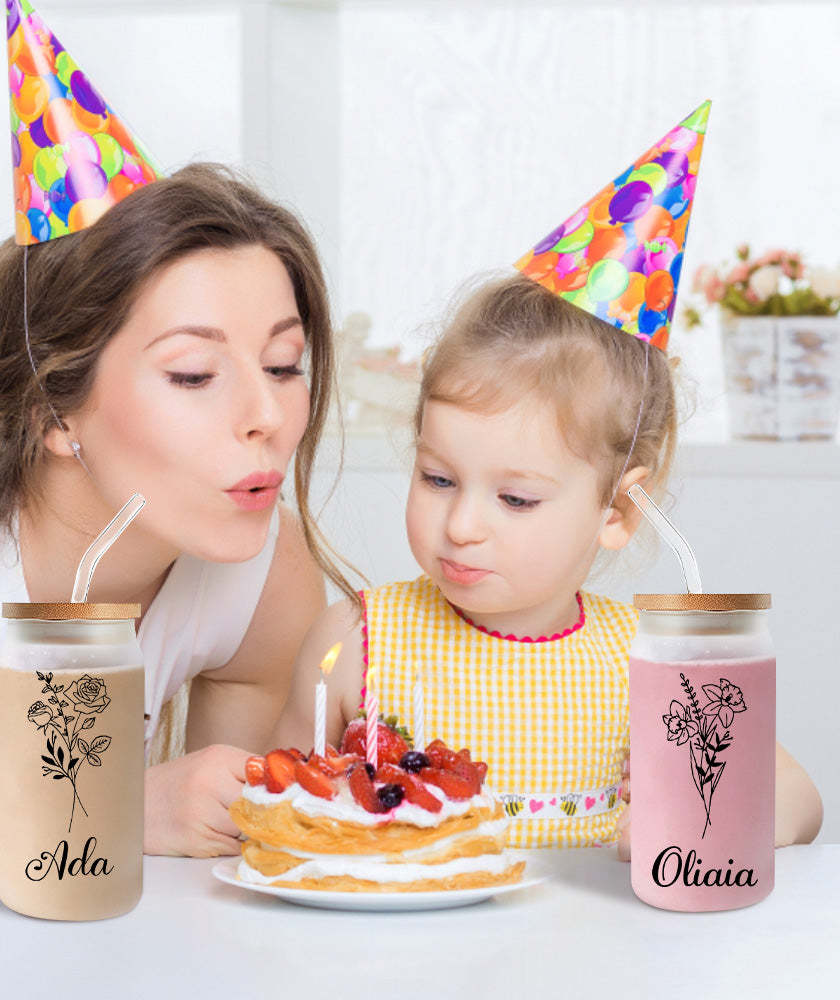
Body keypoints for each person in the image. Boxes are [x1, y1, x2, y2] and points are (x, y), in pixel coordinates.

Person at [0, 163, 356, 856]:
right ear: (53, 412)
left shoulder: (261, 577)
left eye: (283, 364)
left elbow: (222, 876)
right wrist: (118, 817)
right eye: (194, 375)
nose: (268, 416)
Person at [272, 269, 823, 851]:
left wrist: (703, 823)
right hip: (411, 940)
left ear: (617, 509)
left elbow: (799, 799)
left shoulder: (651, 663)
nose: (460, 526)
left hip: (598, 942)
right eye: (438, 478)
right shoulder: (356, 643)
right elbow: (273, 816)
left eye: (516, 499)